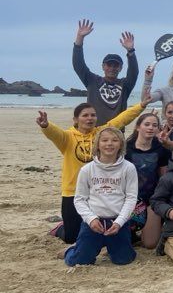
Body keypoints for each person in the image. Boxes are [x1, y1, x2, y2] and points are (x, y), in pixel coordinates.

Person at [37, 97, 148, 245]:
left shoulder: (101, 133)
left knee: (106, 232)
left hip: (100, 191)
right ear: (76, 119)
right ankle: (59, 228)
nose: (90, 118)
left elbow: (121, 119)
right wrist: (46, 125)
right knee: (71, 238)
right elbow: (54, 133)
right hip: (73, 191)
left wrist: (141, 106)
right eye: (85, 115)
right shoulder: (68, 138)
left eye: (93, 115)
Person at [63, 127, 138, 266]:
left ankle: (112, 248)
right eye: (105, 140)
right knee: (78, 261)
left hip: (117, 222)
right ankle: (71, 250)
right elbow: (79, 199)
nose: (109, 144)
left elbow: (131, 198)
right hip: (94, 223)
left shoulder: (129, 168)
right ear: (98, 144)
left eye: (115, 140)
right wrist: (91, 219)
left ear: (121, 144)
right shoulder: (87, 169)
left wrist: (119, 222)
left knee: (124, 260)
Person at [72, 19, 139, 125]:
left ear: (120, 68)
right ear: (103, 66)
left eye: (116, 65)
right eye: (109, 65)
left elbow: (134, 72)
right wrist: (79, 38)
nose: (112, 68)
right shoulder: (93, 81)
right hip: (94, 130)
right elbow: (78, 65)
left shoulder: (125, 85)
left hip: (116, 132)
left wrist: (131, 51)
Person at [125, 112, 170, 249]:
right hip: (129, 199)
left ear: (158, 129)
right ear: (138, 127)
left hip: (151, 200)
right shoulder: (126, 148)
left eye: (154, 125)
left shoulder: (161, 149)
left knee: (150, 244)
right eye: (147, 124)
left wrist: (161, 200)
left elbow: (163, 178)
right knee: (128, 241)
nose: (151, 128)